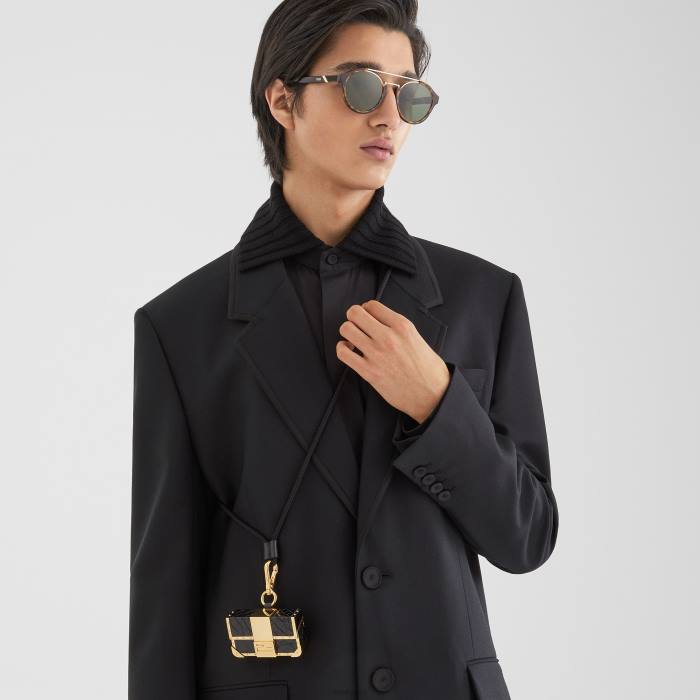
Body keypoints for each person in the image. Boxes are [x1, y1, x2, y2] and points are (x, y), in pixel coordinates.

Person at [128, 2, 559, 699]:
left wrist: (437, 404)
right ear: (282, 100)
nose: (389, 116)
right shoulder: (181, 326)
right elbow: (164, 588)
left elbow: (527, 537)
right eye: (360, 86)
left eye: (408, 94)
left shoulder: (484, 298)